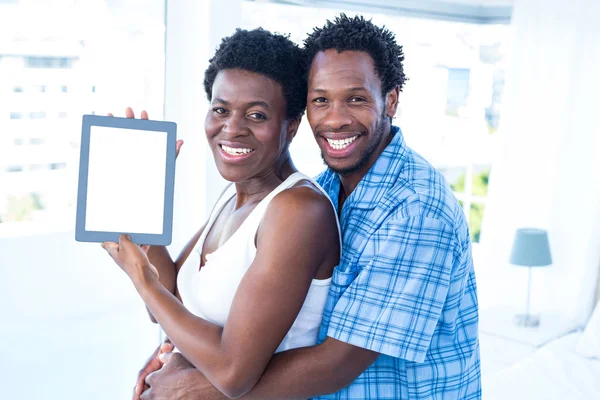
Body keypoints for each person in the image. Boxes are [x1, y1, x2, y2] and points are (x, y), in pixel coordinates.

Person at [139, 14, 481, 400]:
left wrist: (199, 383)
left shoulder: (415, 211)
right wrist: (179, 360)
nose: (334, 119)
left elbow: (336, 363)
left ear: (391, 100)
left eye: (355, 98)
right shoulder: (329, 184)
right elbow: (196, 306)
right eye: (321, 100)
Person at [101, 28, 341, 399]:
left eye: (257, 115)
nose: (231, 128)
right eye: (220, 109)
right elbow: (170, 306)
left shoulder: (299, 211)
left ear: (290, 126)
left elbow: (233, 373)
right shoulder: (233, 198)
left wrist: (140, 278)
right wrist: (144, 201)